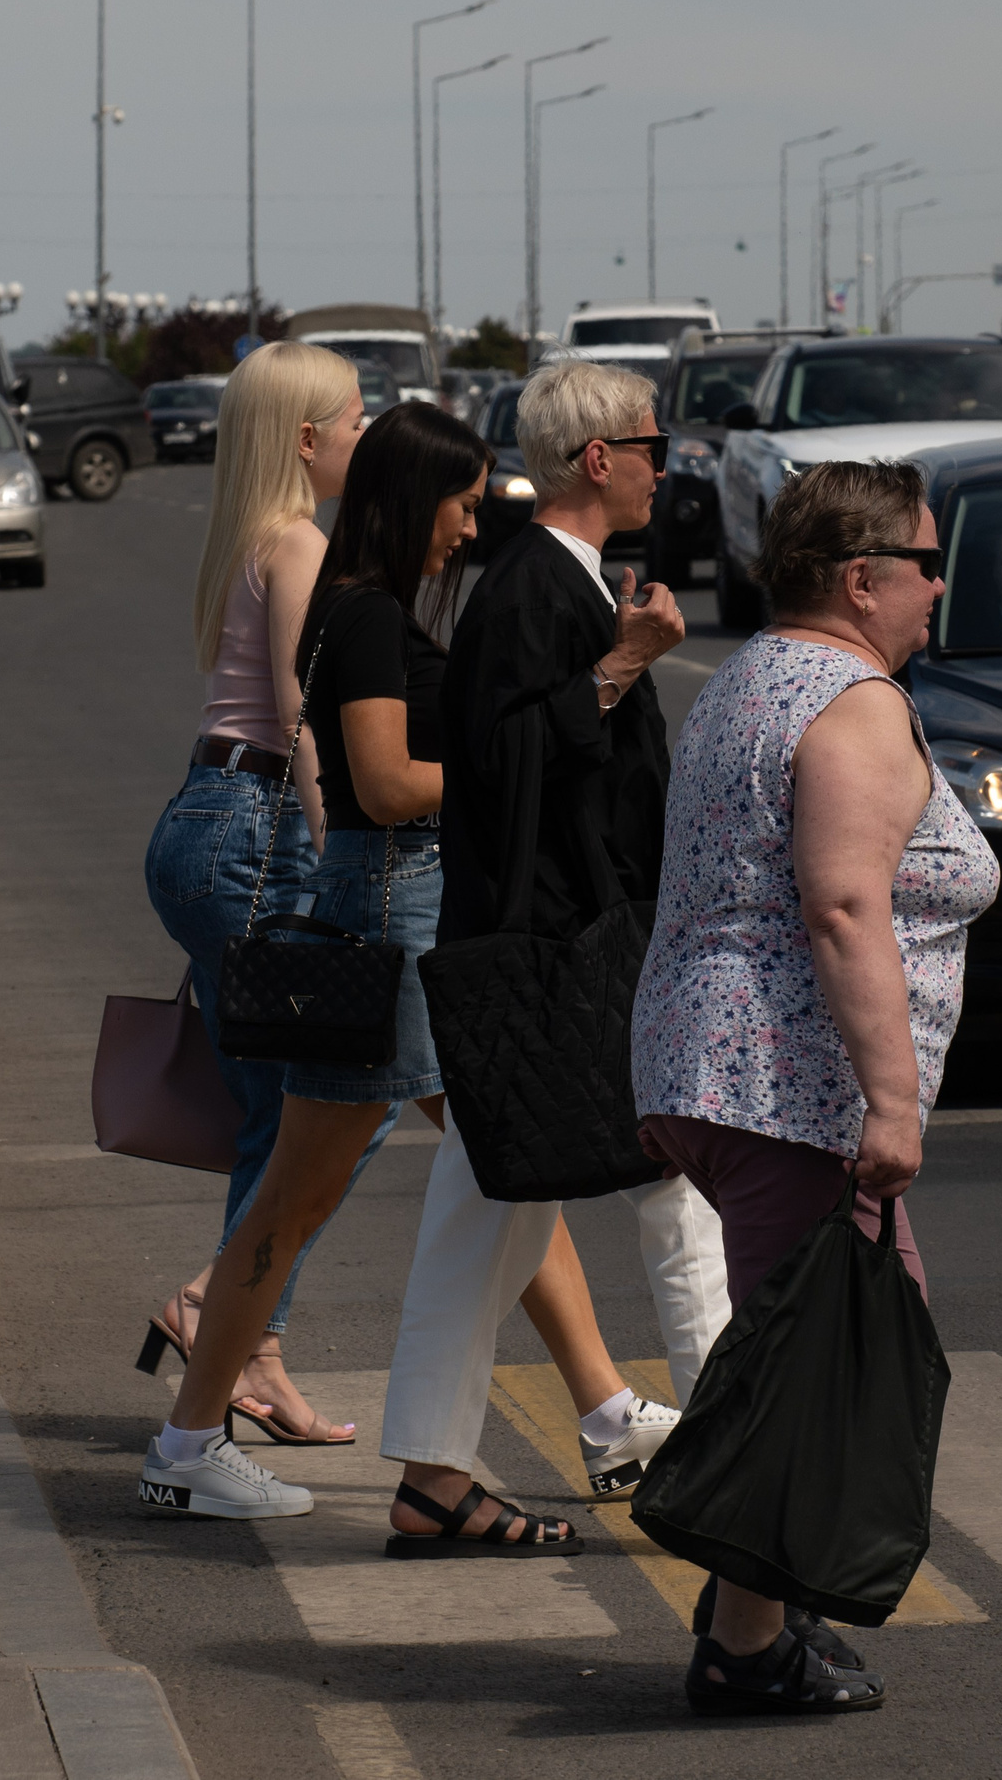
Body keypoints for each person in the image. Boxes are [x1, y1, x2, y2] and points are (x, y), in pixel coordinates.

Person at [634, 459, 1001, 1717]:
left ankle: (759, 1608)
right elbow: (844, 904)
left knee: (813, 1347)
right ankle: (743, 1645)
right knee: (821, 1369)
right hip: (781, 1085)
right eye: (924, 562)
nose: (937, 585)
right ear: (860, 577)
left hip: (717, 1068)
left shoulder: (751, 674)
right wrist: (890, 1104)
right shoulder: (849, 701)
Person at [378, 357, 735, 1553]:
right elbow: (499, 766)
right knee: (676, 1185)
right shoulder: (535, 588)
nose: (662, 468)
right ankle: (740, 1456)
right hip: (557, 959)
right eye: (651, 447)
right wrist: (622, 664)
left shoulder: (561, 581)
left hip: (556, 953)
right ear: (598, 457)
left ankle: (432, 1472)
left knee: (487, 1215)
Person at [138, 403, 492, 1519]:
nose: (470, 529)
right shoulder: (368, 612)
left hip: (387, 904)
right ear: (416, 498)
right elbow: (383, 787)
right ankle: (192, 1445)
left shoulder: (361, 602)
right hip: (387, 908)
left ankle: (578, 1413)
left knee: (477, 1157)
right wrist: (506, 768)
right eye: (462, 504)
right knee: (301, 1193)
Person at [139, 340, 375, 1445]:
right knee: (343, 1089)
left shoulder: (250, 536)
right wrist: (343, 855)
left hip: (207, 820)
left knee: (281, 1111)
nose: (368, 435)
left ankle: (253, 1350)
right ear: (308, 437)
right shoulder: (299, 543)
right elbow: (300, 716)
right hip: (258, 832)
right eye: (358, 417)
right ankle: (219, 1307)